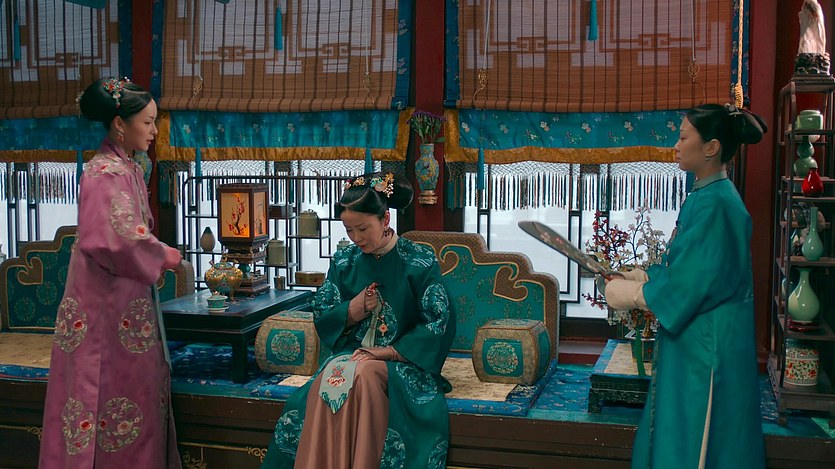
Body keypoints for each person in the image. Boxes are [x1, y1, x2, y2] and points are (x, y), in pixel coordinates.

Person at [602, 103, 767, 468]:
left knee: (697, 443)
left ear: (711, 147)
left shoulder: (718, 204)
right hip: (695, 338)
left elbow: (695, 282)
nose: (675, 146)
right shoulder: (705, 196)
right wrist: (645, 277)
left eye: (682, 137)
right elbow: (689, 266)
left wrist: (634, 294)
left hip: (708, 346)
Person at [262, 172, 456, 469]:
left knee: (363, 375)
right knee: (334, 376)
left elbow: (438, 320)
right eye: (349, 230)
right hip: (353, 355)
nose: (356, 238)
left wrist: (387, 352)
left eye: (363, 228)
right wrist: (352, 310)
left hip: (403, 362)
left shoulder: (418, 260)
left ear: (385, 219)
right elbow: (323, 311)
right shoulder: (345, 261)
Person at [38, 77, 183, 468]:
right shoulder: (104, 173)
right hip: (103, 307)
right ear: (120, 124)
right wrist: (163, 254)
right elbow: (115, 238)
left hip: (122, 300)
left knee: (134, 390)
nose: (154, 131)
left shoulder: (128, 167)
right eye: (148, 122)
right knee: (105, 395)